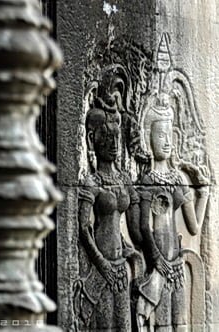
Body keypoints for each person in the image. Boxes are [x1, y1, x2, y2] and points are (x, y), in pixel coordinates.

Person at [136, 93, 209, 331]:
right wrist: (157, 261)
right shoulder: (147, 180)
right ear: (148, 139)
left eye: (169, 135)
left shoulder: (177, 179)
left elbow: (194, 226)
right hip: (159, 266)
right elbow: (143, 227)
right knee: (163, 326)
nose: (166, 141)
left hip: (177, 264)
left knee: (183, 324)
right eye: (160, 135)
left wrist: (204, 193)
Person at [75, 99, 140, 331]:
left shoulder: (123, 179)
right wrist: (103, 265)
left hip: (121, 265)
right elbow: (84, 229)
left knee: (124, 325)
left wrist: (131, 252)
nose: (114, 143)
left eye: (116, 137)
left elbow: (130, 225)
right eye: (107, 137)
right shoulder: (92, 182)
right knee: (104, 326)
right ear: (94, 139)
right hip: (101, 268)